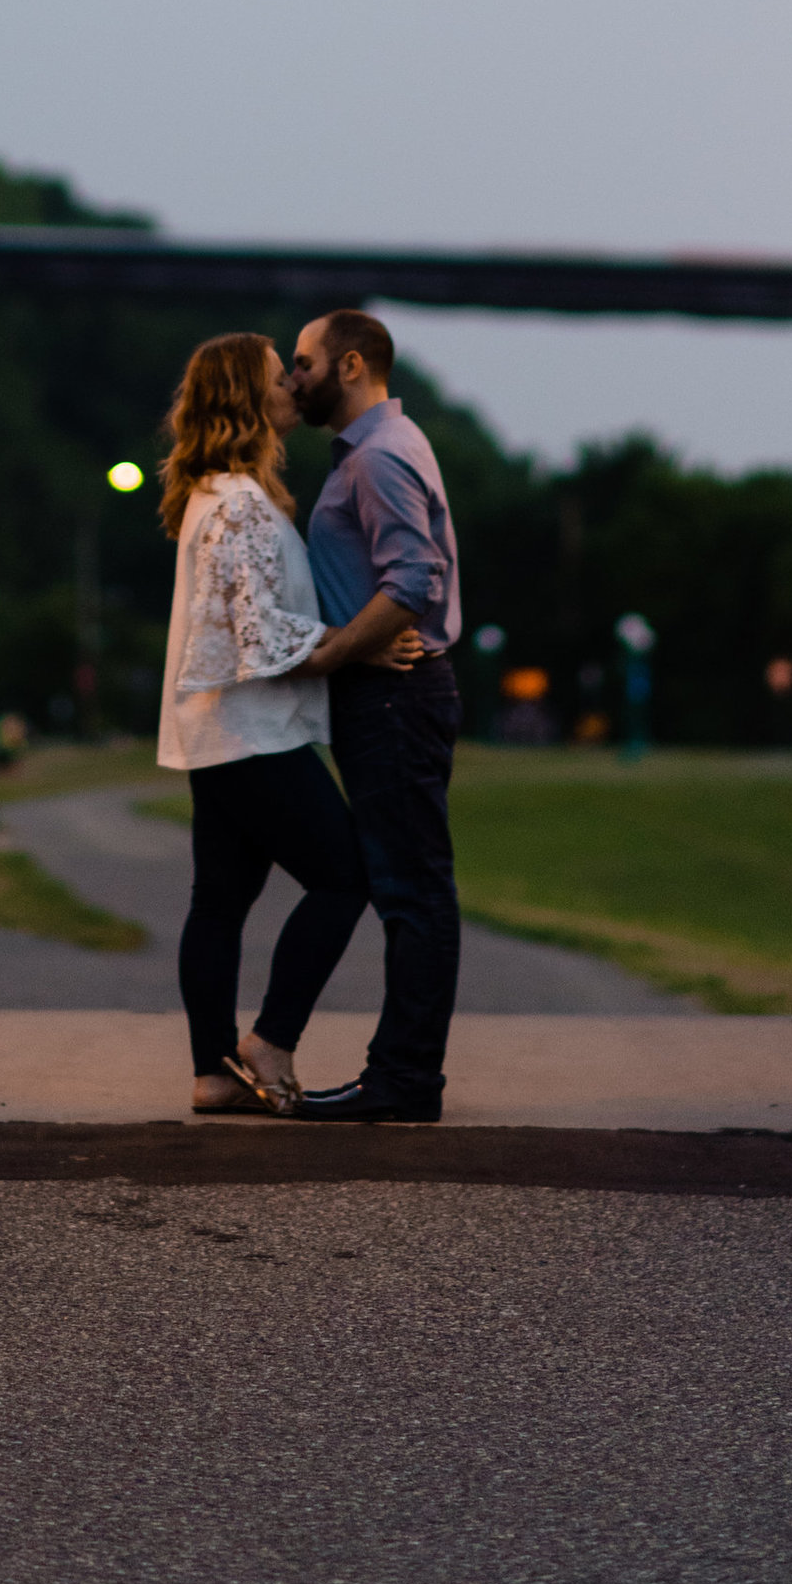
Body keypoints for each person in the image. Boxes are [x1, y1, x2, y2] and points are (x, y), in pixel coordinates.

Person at [156, 330, 415, 1116]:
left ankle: (211, 1072)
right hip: (251, 734)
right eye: (279, 377)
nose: (293, 388)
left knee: (220, 901)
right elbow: (257, 633)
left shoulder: (220, 493)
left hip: (223, 731)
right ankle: (267, 1041)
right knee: (345, 877)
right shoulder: (236, 502)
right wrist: (360, 647)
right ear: (246, 397)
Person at [286, 307, 463, 1125]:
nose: (296, 376)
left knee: (410, 889)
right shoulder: (378, 449)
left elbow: (414, 580)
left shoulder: (381, 456)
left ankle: (403, 1080)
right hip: (389, 692)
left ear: (351, 365)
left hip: (394, 694)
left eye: (305, 361)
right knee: (409, 885)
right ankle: (403, 1074)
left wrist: (333, 653)